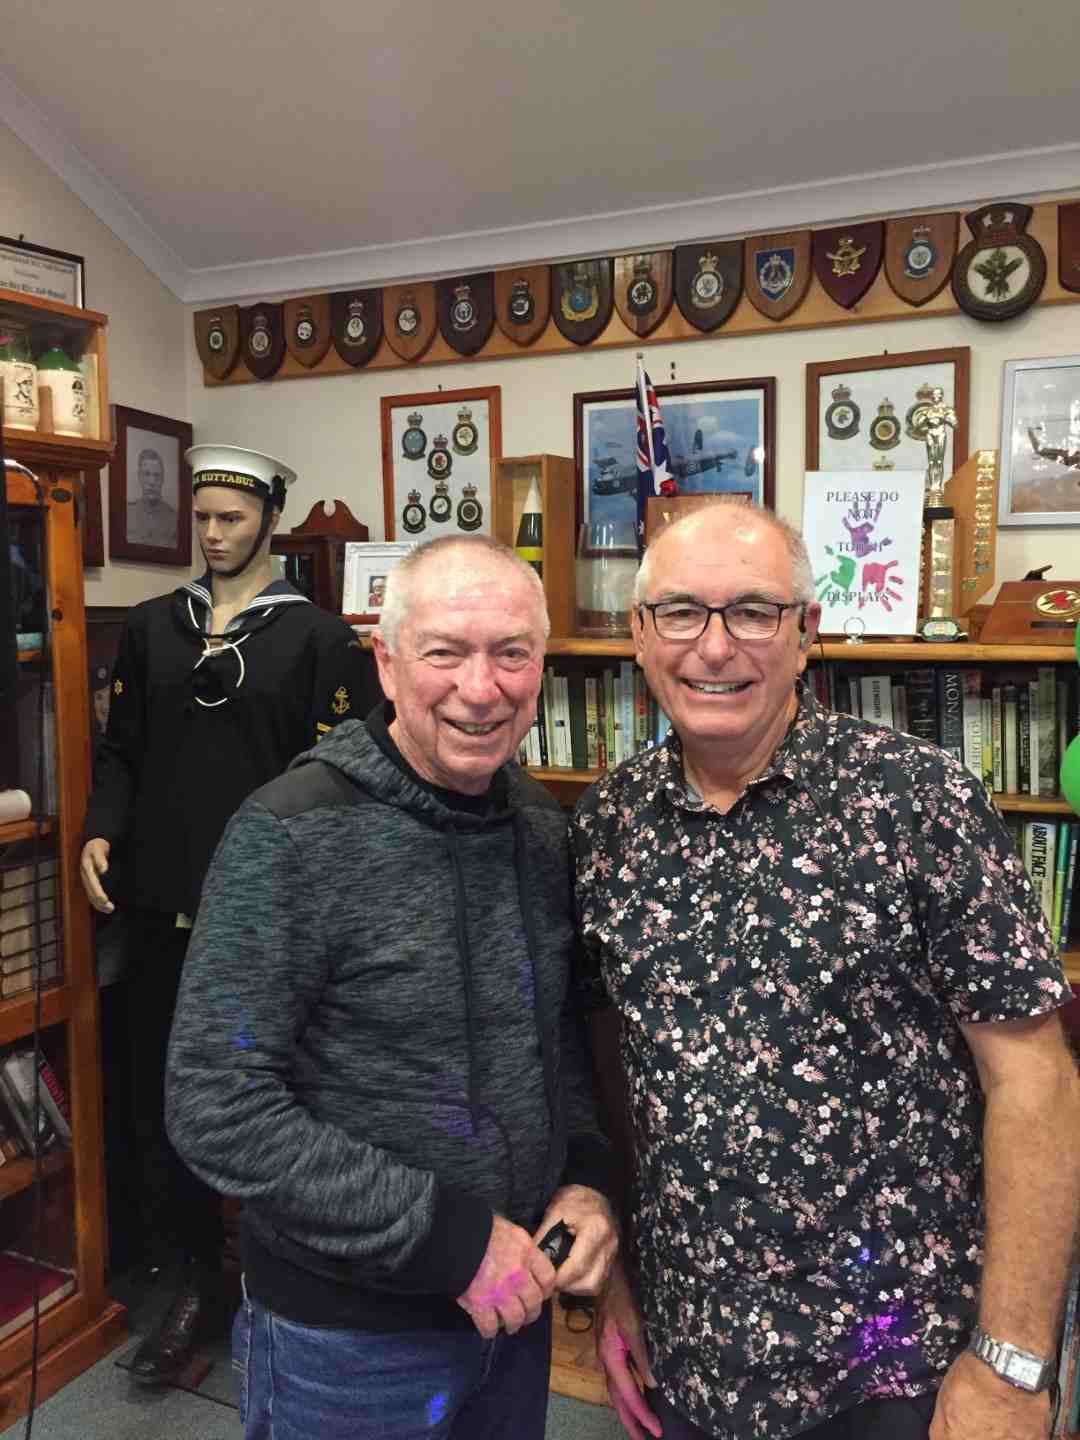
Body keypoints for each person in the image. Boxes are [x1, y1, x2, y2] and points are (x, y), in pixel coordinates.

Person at [572, 500, 1080, 1440]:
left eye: (754, 612)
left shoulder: (919, 803)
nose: (714, 648)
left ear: (806, 635)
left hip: (897, 1366)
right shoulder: (608, 828)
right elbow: (615, 1075)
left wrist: (1013, 1361)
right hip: (694, 1352)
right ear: (641, 639)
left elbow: (1036, 1082)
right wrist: (622, 1290)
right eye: (680, 612)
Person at [164, 534, 619, 1440]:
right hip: (347, 1343)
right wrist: (449, 1240)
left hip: (511, 1310)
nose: (480, 689)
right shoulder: (291, 835)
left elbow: (553, 1037)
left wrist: (587, 1177)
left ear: (543, 663)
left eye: (511, 653)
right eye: (444, 651)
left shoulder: (536, 823)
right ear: (386, 660)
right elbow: (216, 1101)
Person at [80, 443, 370, 1386]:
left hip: (269, 913)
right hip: (163, 905)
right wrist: (99, 831)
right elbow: (119, 749)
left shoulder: (320, 640)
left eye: (231, 520)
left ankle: (283, 1284)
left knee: (279, 1102)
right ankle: (200, 1282)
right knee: (177, 1102)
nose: (212, 534)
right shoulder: (156, 628)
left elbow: (342, 779)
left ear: (269, 522)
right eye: (201, 518)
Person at [126, 446, 179, 547]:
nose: (152, 482)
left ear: (163, 479)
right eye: (147, 474)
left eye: (156, 475)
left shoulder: (174, 519)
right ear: (139, 477)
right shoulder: (127, 514)